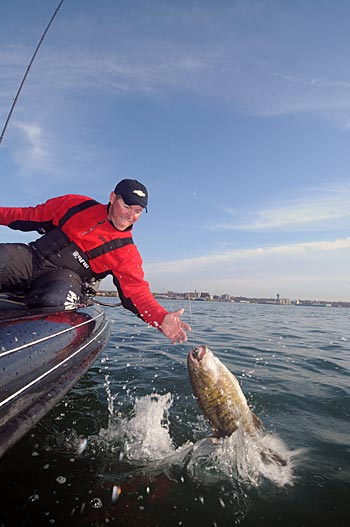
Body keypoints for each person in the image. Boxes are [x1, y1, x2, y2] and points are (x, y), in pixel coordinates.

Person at [0, 179, 191, 344]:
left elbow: (137, 293)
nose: (130, 216)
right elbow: (28, 215)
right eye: (126, 206)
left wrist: (160, 318)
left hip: (62, 279)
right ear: (112, 198)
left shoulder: (126, 253)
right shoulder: (75, 204)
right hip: (32, 258)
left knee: (54, 301)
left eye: (138, 211)